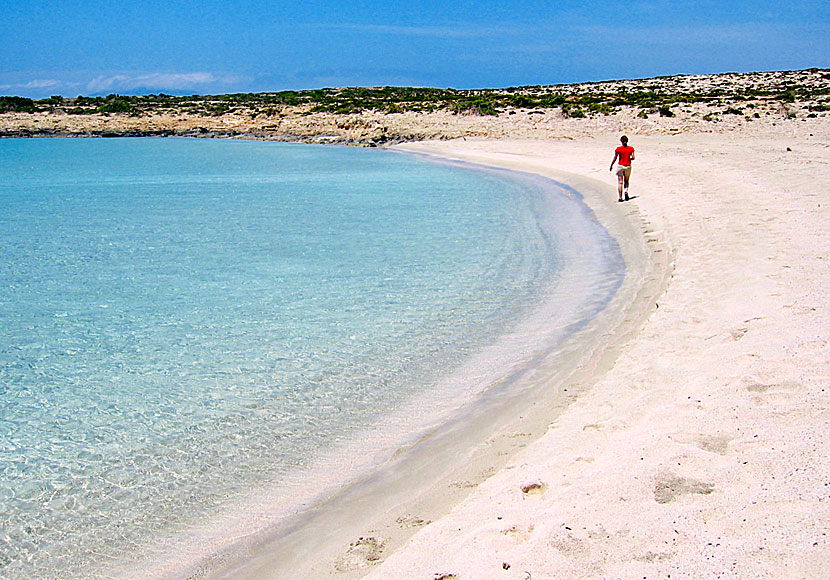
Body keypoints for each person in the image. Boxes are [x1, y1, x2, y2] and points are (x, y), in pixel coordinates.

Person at [609, 135, 635, 201]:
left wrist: (611, 165)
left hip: (620, 166)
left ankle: (620, 198)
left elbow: (615, 158)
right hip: (628, 166)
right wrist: (629, 158)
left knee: (620, 182)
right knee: (626, 180)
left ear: (621, 141)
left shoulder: (618, 149)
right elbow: (633, 157)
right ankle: (626, 191)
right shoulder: (631, 149)